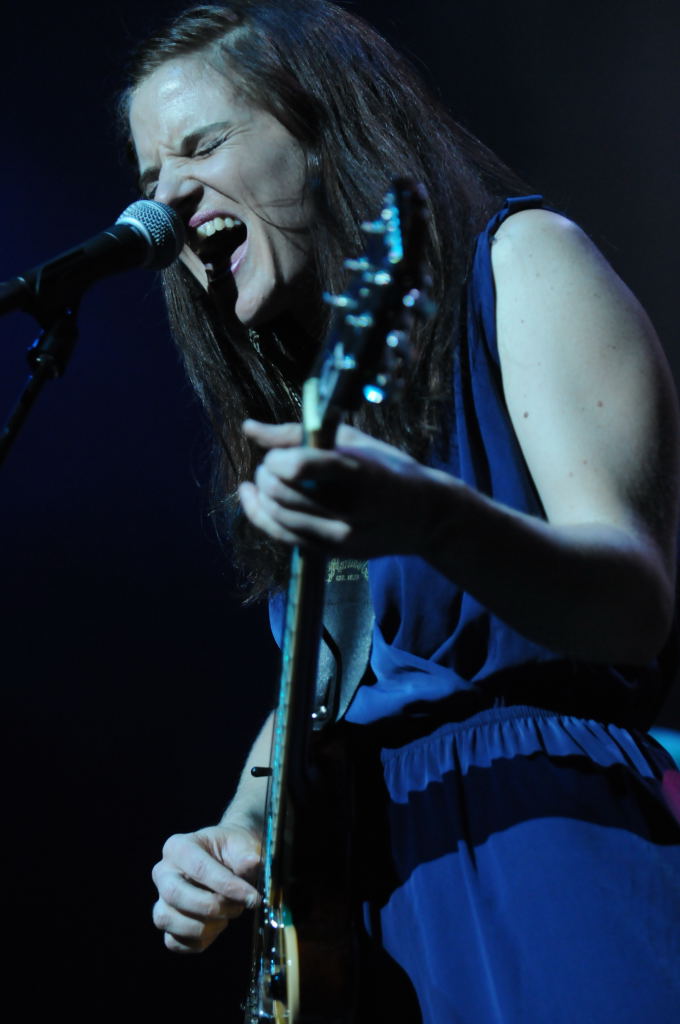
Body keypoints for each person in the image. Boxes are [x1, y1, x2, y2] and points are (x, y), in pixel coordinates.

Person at [121, 1, 680, 1020]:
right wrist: (233, 831)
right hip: (379, 897)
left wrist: (434, 520)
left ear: (321, 132)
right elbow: (335, 684)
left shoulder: (523, 259)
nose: (166, 198)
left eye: (200, 146)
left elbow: (634, 606)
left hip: (546, 842)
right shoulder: (309, 409)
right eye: (150, 176)